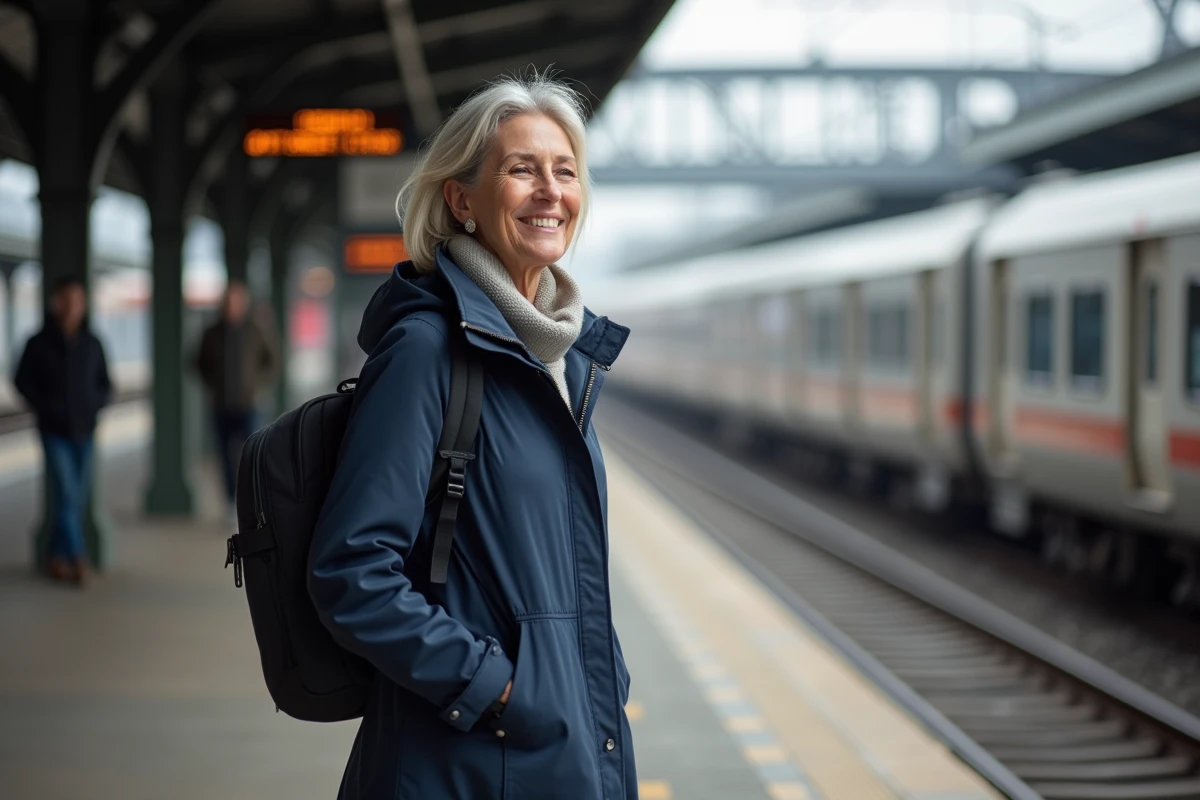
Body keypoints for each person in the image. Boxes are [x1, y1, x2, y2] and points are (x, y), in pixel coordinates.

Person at [308, 73, 635, 799]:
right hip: (465, 763)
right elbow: (352, 571)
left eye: (565, 171)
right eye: (522, 170)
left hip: (559, 750)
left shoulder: (558, 358)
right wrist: (497, 690)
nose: (551, 191)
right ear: (461, 200)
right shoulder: (427, 351)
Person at [13, 275, 112, 586]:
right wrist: (46, 405)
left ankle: (56, 558)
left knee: (75, 498)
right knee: (68, 494)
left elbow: (105, 384)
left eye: (77, 301)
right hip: (53, 430)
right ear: (56, 303)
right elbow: (20, 380)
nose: (72, 307)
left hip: (85, 430)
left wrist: (93, 405)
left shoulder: (92, 343)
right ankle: (78, 558)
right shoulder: (37, 342)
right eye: (66, 300)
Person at [195, 281, 280, 519]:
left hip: (249, 405)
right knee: (223, 457)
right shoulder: (211, 333)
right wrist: (214, 384)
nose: (233, 306)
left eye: (238, 301)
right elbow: (199, 363)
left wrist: (257, 385)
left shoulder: (255, 330)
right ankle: (230, 502)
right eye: (230, 301)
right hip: (221, 405)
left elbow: (272, 361)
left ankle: (250, 500)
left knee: (250, 454)